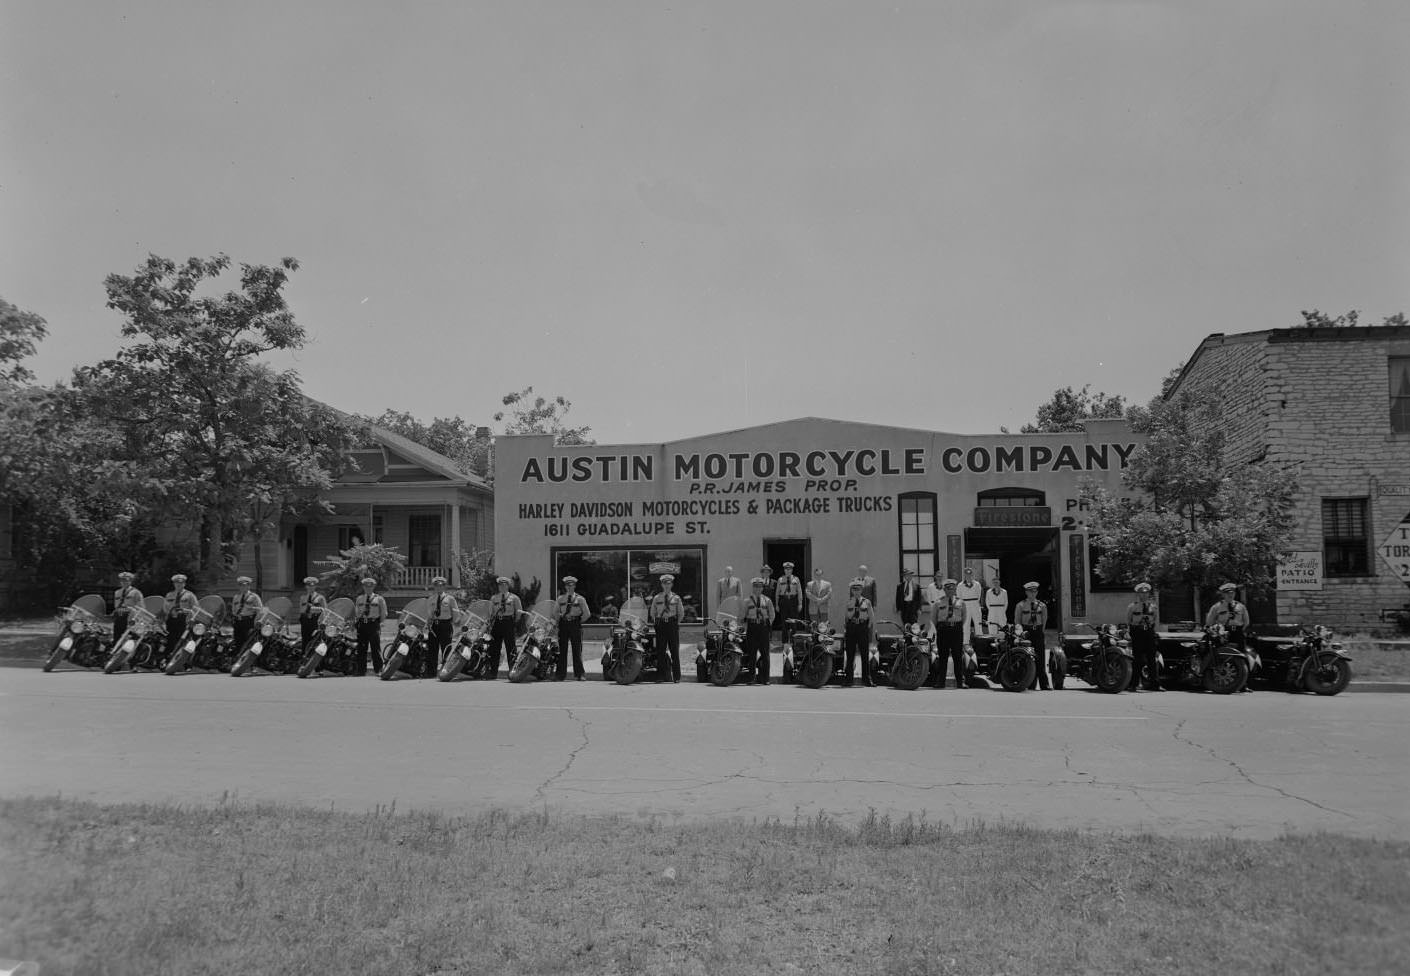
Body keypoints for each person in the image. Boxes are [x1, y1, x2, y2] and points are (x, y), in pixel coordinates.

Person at [1205, 582, 1252, 691]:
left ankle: (1244, 685)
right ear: (1223, 594)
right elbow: (1210, 621)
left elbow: (1246, 622)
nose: (1231, 595)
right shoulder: (1217, 607)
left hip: (1237, 634)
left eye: (1232, 593)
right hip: (1223, 633)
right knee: (1220, 656)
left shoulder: (1241, 607)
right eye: (1228, 594)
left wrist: (1240, 631)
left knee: (1243, 657)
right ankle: (1214, 681)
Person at [931, 579, 967, 688]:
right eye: (948, 589)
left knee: (957, 656)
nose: (950, 591)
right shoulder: (938, 602)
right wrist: (942, 626)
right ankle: (941, 682)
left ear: (955, 589)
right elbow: (934, 618)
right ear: (944, 590)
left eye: (952, 589)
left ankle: (960, 682)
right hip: (943, 630)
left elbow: (964, 617)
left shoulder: (961, 602)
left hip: (956, 630)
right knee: (943, 657)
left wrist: (955, 624)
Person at [1126, 582, 1162, 691]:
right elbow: (1129, 620)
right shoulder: (1132, 606)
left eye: (1146, 593)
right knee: (1137, 660)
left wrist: (1152, 631)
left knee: (1152, 659)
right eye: (1141, 593)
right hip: (1137, 632)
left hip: (1149, 632)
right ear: (1138, 594)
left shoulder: (1153, 607)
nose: (1144, 595)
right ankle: (1134, 684)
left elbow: (1155, 620)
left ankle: (1155, 685)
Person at [486, 576, 523, 679]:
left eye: (504, 585)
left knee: (511, 648)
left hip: (508, 623)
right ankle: (493, 673)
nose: (502, 587)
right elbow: (490, 612)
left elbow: (519, 612)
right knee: (494, 648)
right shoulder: (494, 598)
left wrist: (514, 622)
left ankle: (513, 672)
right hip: (497, 623)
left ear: (508, 586)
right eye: (500, 585)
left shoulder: (514, 598)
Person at [649, 574, 684, 682]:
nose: (667, 586)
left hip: (672, 625)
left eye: (668, 583)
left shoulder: (676, 598)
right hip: (661, 626)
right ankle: (661, 676)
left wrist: (674, 623)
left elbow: (681, 613)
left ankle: (677, 677)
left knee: (674, 651)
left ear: (672, 584)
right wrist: (657, 623)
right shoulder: (657, 598)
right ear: (662, 585)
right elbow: (652, 613)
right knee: (660, 651)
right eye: (664, 584)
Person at [1015, 582, 1050, 691]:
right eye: (1030, 591)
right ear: (1026, 592)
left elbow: (1044, 620)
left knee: (1040, 657)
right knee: (1027, 658)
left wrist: (1041, 631)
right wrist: (1020, 633)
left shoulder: (1042, 605)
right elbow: (1017, 621)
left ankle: (1044, 684)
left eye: (1034, 591)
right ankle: (1030, 683)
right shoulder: (1020, 605)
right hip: (1026, 632)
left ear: (1037, 592)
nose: (1032, 593)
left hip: (1038, 632)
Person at [555, 576, 589, 681]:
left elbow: (587, 613)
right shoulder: (560, 599)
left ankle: (580, 674)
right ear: (565, 587)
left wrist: (578, 621)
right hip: (564, 624)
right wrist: (558, 622)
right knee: (562, 650)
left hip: (575, 624)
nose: (569, 587)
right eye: (567, 585)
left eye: (571, 585)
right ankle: (560, 675)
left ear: (574, 586)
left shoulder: (580, 599)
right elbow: (555, 612)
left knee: (577, 650)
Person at [742, 577, 775, 685]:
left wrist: (768, 624)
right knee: (752, 654)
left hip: (763, 628)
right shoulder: (747, 601)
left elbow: (772, 615)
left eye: (760, 586)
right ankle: (751, 678)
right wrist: (743, 621)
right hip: (752, 628)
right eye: (755, 586)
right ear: (753, 588)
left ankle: (766, 679)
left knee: (765, 654)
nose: (757, 589)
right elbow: (742, 615)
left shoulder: (767, 600)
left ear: (762, 588)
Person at [843, 578, 874, 687]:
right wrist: (847, 628)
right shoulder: (849, 602)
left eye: (858, 589)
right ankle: (848, 680)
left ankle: (867, 680)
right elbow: (846, 617)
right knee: (850, 655)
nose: (856, 591)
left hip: (862, 627)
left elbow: (871, 617)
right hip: (851, 628)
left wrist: (866, 628)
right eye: (854, 589)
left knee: (865, 655)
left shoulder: (867, 602)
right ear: (852, 591)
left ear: (861, 590)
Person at [353, 576, 387, 676]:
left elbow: (383, 613)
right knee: (361, 648)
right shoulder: (359, 599)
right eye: (366, 586)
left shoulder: (379, 599)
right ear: (363, 587)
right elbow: (356, 612)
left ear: (373, 587)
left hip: (373, 624)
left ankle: (378, 670)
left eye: (370, 586)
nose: (368, 588)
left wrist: (379, 623)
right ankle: (361, 671)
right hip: (362, 624)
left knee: (375, 648)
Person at [425, 577, 459, 677]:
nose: (439, 587)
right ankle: (431, 672)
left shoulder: (450, 599)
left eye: (441, 585)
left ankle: (446, 670)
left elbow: (456, 613)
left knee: (446, 648)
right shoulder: (431, 599)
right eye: (436, 586)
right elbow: (429, 614)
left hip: (445, 625)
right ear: (434, 587)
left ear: (444, 587)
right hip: (434, 625)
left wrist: (451, 622)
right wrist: (428, 624)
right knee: (432, 649)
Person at [162, 574, 199, 660]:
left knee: (183, 640)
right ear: (174, 584)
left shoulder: (190, 595)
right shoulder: (169, 595)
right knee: (170, 640)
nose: (178, 585)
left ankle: (181, 661)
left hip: (184, 620)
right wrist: (170, 613)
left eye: (181, 583)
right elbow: (165, 608)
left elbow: (196, 608)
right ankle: (167, 660)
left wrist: (191, 618)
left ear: (184, 584)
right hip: (172, 620)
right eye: (176, 583)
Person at [229, 576, 264, 654]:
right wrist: (234, 619)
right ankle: (237, 659)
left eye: (245, 585)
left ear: (249, 586)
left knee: (247, 641)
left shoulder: (254, 597)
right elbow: (233, 610)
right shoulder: (236, 597)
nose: (243, 587)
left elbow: (260, 610)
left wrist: (257, 621)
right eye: (241, 585)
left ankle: (247, 660)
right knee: (237, 641)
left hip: (248, 621)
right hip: (238, 622)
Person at [774, 562, 803, 647]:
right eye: (786, 569)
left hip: (793, 601)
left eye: (789, 569)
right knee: (784, 623)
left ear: (792, 570)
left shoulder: (796, 579)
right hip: (784, 601)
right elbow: (777, 593)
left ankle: (794, 642)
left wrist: (800, 604)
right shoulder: (780, 579)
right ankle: (785, 643)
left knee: (794, 623)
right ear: (784, 570)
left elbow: (800, 592)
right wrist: (777, 604)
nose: (788, 570)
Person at [956, 566, 984, 647]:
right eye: (967, 574)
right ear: (964, 575)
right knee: (965, 625)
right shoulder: (960, 585)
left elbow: (979, 596)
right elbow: (958, 597)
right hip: (965, 605)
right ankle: (965, 643)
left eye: (970, 574)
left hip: (975, 604)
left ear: (972, 575)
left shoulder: (977, 584)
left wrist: (974, 602)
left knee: (978, 623)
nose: (968, 576)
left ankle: (980, 642)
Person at [112, 571, 144, 643]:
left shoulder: (136, 592)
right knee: (116, 637)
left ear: (130, 581)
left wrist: (135, 617)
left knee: (127, 638)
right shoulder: (117, 592)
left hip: (129, 617)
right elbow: (116, 606)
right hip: (119, 616)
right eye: (122, 580)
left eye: (126, 580)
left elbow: (141, 607)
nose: (124, 582)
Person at [297, 576, 327, 648]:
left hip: (315, 621)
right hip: (305, 621)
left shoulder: (320, 598)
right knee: (305, 640)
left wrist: (312, 608)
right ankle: (304, 655)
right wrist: (307, 608)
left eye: (312, 586)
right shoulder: (303, 598)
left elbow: (324, 610)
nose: (310, 587)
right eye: (309, 586)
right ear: (306, 587)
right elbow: (301, 610)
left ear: (315, 586)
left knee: (315, 640)